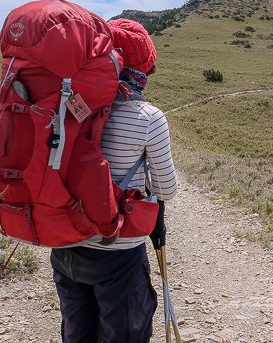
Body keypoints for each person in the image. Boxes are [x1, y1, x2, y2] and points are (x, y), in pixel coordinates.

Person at [49, 18, 178, 343]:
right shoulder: (150, 118)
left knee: (78, 334)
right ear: (144, 67)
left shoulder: (62, 104)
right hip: (117, 252)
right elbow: (167, 190)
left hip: (65, 244)